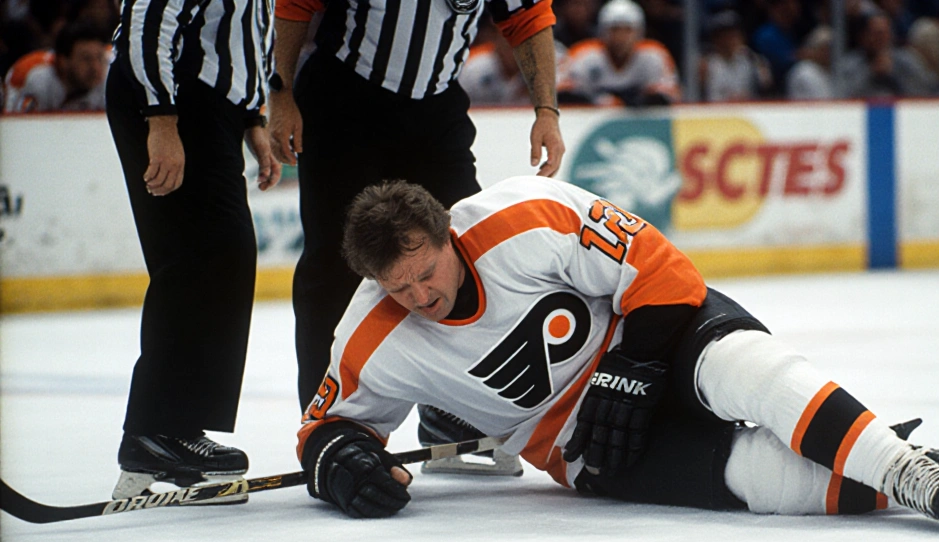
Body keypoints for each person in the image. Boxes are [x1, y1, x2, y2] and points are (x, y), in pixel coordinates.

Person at [292, 176, 939, 529]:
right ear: (373, 283)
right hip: (581, 442)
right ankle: (915, 468)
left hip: (652, 336)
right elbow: (330, 427)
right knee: (761, 484)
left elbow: (665, 270)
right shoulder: (370, 336)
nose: (422, 296)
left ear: (451, 234)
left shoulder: (526, 216)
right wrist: (339, 467)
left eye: (429, 273)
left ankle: (910, 473)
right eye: (401, 288)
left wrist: (637, 364)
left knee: (753, 373)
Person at [269, 0, 564, 476]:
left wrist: (546, 110)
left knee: (462, 254)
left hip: (437, 109)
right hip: (345, 96)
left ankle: (454, 418)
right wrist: (280, 93)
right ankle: (335, 431)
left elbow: (527, 18)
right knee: (336, 267)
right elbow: (296, 4)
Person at [106, 0, 281, 501]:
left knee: (220, 257)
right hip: (174, 98)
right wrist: (160, 117)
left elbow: (247, 24)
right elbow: (148, 15)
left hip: (210, 105)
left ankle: (169, 430)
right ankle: (157, 432)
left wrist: (251, 115)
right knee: (199, 258)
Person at [557, 0, 680, 107]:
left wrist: (631, 103)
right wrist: (594, 101)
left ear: (639, 32)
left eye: (627, 30)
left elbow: (670, 95)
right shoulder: (583, 55)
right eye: (615, 30)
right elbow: (561, 92)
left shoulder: (654, 55)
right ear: (603, 32)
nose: (621, 38)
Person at [3, 20, 108, 113]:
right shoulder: (35, 78)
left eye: (100, 58)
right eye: (86, 59)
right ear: (63, 62)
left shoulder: (111, 77)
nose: (95, 67)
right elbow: (17, 128)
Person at [835, 12, 935, 98]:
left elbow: (924, 93)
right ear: (864, 36)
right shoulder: (849, 65)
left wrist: (893, 76)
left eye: (885, 33)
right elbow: (841, 97)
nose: (881, 39)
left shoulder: (907, 60)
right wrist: (871, 74)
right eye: (876, 34)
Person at [699, 10, 771, 103]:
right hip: (715, 113)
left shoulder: (751, 59)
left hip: (747, 112)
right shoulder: (707, 63)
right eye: (724, 35)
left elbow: (767, 85)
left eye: (733, 34)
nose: (730, 39)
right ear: (715, 38)